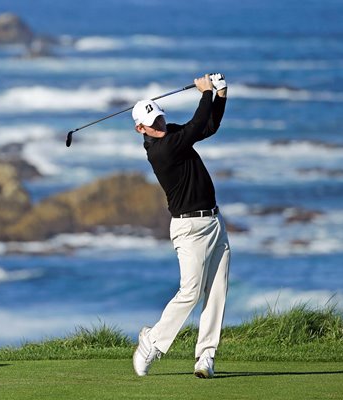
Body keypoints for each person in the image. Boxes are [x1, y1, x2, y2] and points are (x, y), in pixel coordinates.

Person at [131, 73, 230, 379]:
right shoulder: (161, 150)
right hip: (189, 230)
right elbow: (196, 125)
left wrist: (221, 95)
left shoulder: (172, 135)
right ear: (140, 129)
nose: (159, 125)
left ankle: (206, 358)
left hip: (213, 222)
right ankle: (152, 343)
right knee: (190, 292)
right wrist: (204, 93)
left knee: (216, 291)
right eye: (153, 123)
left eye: (160, 119)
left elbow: (207, 127)